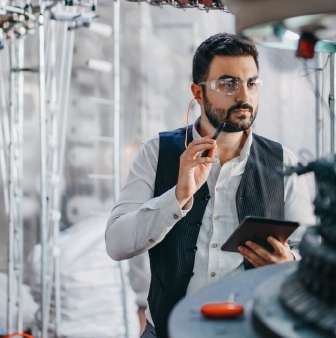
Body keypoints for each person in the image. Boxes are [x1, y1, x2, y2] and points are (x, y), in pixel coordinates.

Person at [105, 32, 315, 338]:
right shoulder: (158, 152)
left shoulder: (282, 161)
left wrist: (289, 263)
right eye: (228, 84)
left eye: (252, 83)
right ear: (198, 92)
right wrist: (178, 196)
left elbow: (312, 254)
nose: (244, 96)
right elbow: (117, 244)